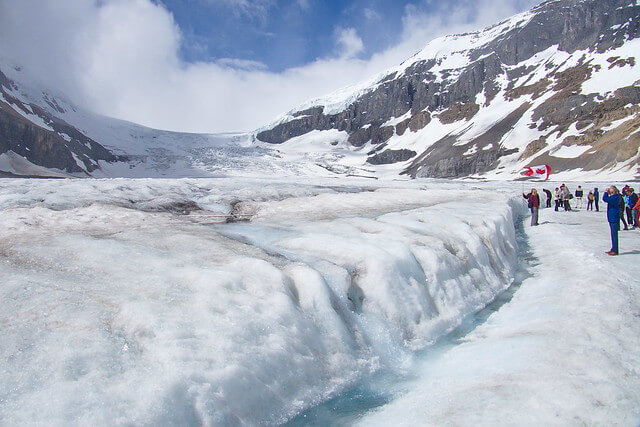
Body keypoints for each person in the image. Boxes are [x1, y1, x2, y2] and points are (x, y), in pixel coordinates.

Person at [603, 186, 621, 255]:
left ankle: (615, 250)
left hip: (614, 217)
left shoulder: (615, 197)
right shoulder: (614, 197)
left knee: (614, 234)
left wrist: (605, 192)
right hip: (612, 217)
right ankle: (613, 248)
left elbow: (605, 199)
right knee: (613, 234)